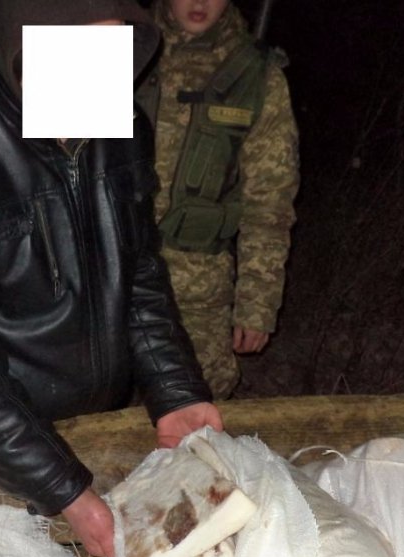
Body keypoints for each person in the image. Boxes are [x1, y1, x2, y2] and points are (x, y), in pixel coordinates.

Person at [0, 0, 223, 557]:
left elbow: (138, 278)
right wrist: (65, 490)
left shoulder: (124, 127)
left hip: (96, 424)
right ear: (22, 45)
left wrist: (176, 391)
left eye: (111, 52)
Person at [136, 0, 300, 399]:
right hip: (102, 273)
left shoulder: (255, 76)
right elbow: (45, 165)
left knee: (196, 406)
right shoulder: (114, 48)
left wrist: (257, 303)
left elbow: (270, 202)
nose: (199, 2)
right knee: (86, 407)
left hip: (197, 290)